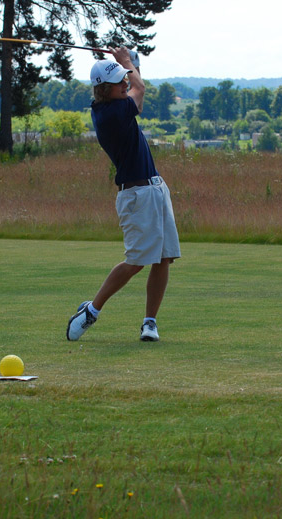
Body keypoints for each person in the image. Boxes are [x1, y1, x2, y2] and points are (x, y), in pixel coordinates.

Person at [67, 47, 180, 343]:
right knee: (135, 262)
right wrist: (125, 62)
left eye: (123, 79)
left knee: (163, 258)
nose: (124, 84)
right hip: (137, 195)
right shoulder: (113, 113)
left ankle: (149, 323)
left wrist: (122, 59)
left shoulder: (112, 103)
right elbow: (140, 85)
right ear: (105, 89)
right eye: (119, 82)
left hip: (154, 188)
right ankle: (91, 310)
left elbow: (133, 78)